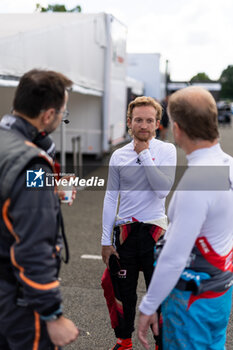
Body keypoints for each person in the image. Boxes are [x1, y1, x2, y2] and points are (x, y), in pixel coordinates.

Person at [137, 87, 233, 350]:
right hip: (219, 293)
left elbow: (175, 256)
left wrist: (148, 305)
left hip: (191, 301)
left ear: (177, 129)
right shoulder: (227, 164)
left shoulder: (199, 179)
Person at [0, 69, 79, 349]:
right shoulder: (32, 162)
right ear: (47, 115)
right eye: (62, 112)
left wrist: (47, 191)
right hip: (17, 303)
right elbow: (34, 247)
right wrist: (52, 314)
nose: (62, 118)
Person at [101, 96, 177, 350]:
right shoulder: (118, 156)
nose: (143, 125)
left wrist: (144, 154)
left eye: (148, 120)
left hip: (155, 231)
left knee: (160, 294)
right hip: (125, 232)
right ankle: (123, 341)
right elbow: (111, 198)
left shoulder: (166, 150)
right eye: (138, 120)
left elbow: (162, 190)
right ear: (129, 123)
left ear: (157, 124)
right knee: (123, 293)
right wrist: (105, 241)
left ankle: (161, 343)